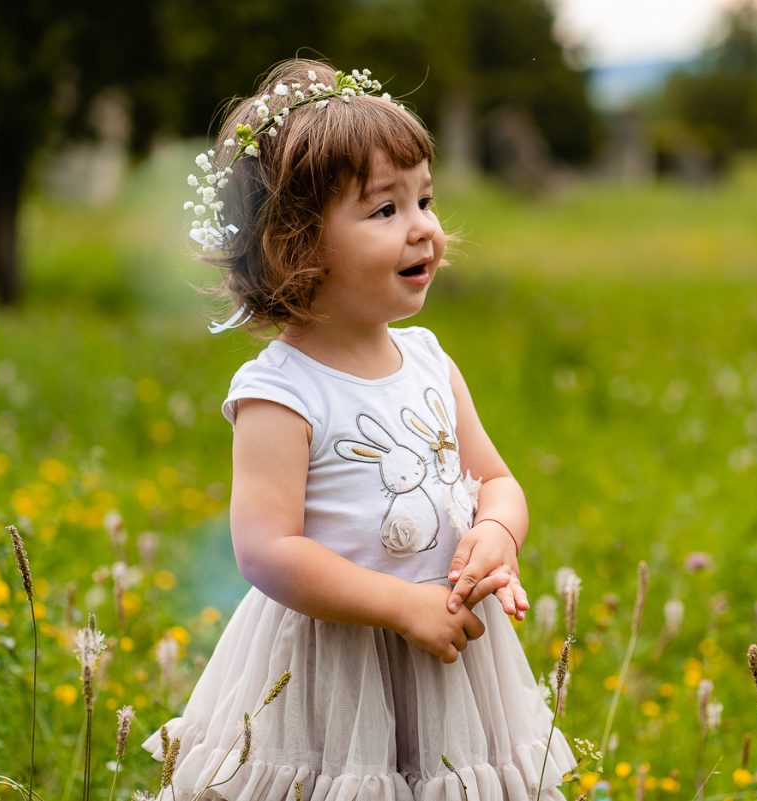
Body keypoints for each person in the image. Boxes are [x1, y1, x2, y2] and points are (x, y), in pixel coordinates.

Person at [140, 58, 577, 801]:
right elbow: (267, 549)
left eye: (425, 200)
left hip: (450, 658)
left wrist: (498, 533)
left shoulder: (430, 360)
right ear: (296, 244)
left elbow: (496, 479)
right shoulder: (281, 392)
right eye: (385, 210)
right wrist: (397, 604)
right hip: (333, 670)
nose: (425, 230)